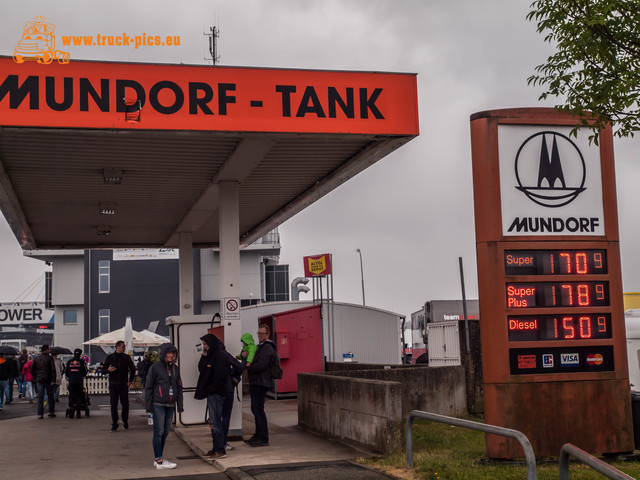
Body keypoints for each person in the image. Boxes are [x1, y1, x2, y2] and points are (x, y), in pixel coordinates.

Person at [195, 333, 242, 459]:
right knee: (216, 422)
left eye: (205, 344)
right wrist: (204, 356)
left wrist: (214, 387)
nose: (204, 346)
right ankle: (216, 448)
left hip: (218, 392)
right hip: (221, 391)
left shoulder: (220, 355)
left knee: (216, 422)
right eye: (203, 344)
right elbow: (202, 369)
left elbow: (221, 375)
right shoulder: (212, 355)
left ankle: (220, 449)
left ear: (211, 343)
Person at [145, 343, 183, 470]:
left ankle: (158, 458)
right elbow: (149, 387)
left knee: (165, 432)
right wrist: (148, 407)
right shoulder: (155, 367)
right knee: (158, 431)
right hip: (158, 403)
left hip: (170, 404)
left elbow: (179, 387)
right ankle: (159, 460)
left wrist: (180, 405)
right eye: (168, 352)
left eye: (173, 353)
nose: (171, 355)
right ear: (164, 353)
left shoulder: (175, 369)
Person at [244, 324, 277, 447]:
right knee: (255, 409)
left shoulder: (267, 348)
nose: (259, 336)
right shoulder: (261, 347)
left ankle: (263, 438)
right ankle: (258, 435)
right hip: (257, 381)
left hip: (261, 382)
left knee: (258, 409)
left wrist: (248, 367)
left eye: (262, 334)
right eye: (258, 333)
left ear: (267, 335)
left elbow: (262, 365)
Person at [103, 340, 136, 431]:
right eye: (123, 347)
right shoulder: (110, 357)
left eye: (124, 347)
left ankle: (125, 421)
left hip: (123, 384)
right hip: (113, 384)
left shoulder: (126, 357)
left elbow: (133, 369)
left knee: (125, 404)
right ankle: (115, 423)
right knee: (114, 404)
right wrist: (108, 370)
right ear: (117, 347)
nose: (124, 348)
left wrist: (130, 380)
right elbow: (103, 371)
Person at [31, 344, 56, 419]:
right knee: (50, 396)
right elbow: (53, 370)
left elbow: (32, 370)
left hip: (39, 379)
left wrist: (36, 377)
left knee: (40, 396)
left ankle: (40, 413)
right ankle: (51, 412)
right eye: (49, 349)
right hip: (48, 379)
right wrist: (53, 380)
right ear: (46, 350)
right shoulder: (50, 358)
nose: (50, 350)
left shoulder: (36, 358)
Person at [65, 348, 88, 418]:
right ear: (80, 354)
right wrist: (81, 375)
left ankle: (71, 408)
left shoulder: (69, 362)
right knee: (78, 396)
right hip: (79, 381)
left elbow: (66, 372)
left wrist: (71, 377)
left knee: (71, 395)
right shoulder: (82, 362)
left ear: (74, 354)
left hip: (71, 381)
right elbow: (85, 371)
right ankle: (78, 412)